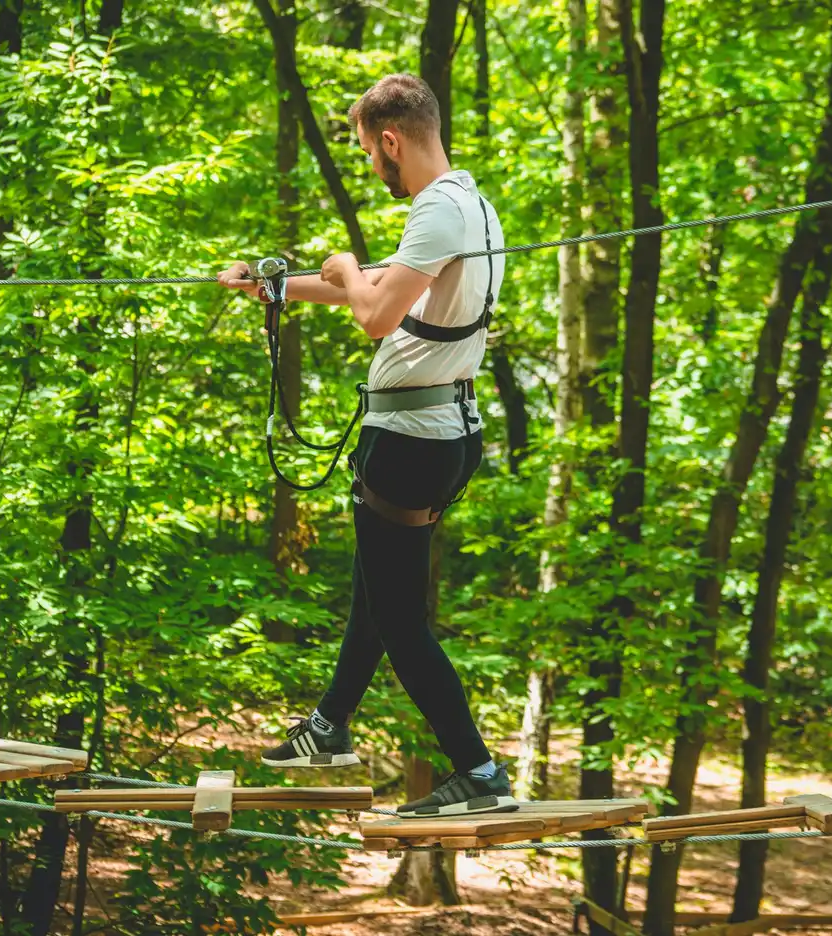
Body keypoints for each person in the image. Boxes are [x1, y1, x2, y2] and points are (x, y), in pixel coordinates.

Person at [219, 74, 514, 818]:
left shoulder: (436, 209)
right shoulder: (471, 208)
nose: (370, 168)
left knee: (400, 622)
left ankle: (478, 772)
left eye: (366, 154)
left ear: (390, 141)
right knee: (377, 595)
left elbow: (375, 310)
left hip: (410, 439)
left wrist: (343, 267)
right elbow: (394, 285)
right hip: (439, 433)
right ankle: (330, 726)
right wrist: (279, 287)